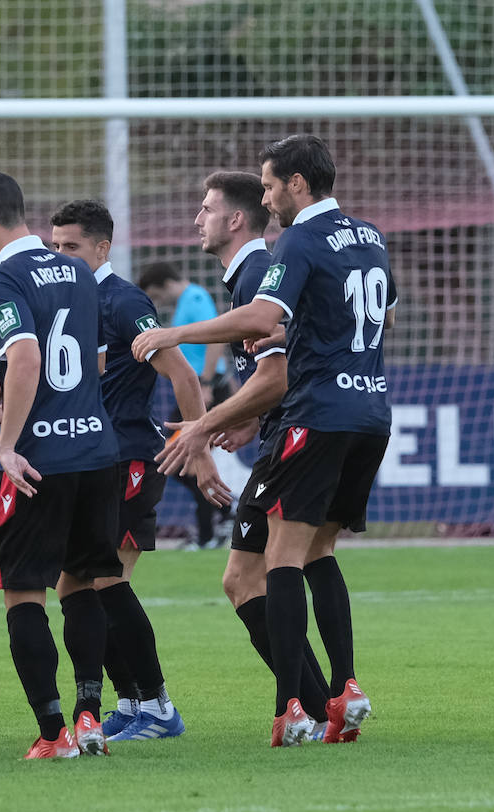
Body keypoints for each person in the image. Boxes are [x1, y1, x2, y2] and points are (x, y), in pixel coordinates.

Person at [133, 135, 395, 746]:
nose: (269, 196)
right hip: (370, 412)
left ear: (298, 185)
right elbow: (380, 319)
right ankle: (342, 689)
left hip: (313, 417)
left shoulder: (295, 241)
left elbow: (262, 321)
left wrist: (173, 338)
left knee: (279, 561)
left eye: (273, 184)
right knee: (316, 552)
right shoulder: (371, 237)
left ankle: (293, 709)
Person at [45, 198, 230, 742]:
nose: (61, 256)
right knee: (73, 587)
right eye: (54, 246)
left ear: (102, 248)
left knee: (105, 581)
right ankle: (131, 702)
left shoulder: (123, 301)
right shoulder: (64, 300)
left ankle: (158, 706)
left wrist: (197, 448)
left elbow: (183, 376)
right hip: (85, 460)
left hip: (127, 457)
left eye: (71, 247)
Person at [155, 171, 335, 732]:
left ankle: (306, 707)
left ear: (235, 220)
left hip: (295, 443)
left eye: (206, 208)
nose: (196, 219)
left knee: (248, 578)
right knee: (248, 578)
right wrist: (244, 417)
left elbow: (279, 377)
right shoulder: (246, 276)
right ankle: (320, 702)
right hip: (288, 436)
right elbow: (272, 372)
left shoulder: (257, 273)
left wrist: (202, 427)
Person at [0, 171, 120, 759]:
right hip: (97, 453)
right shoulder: (79, 271)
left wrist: (8, 439)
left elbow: (27, 358)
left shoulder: (2, 278)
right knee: (82, 583)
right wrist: (6, 390)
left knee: (23, 591)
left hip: (42, 463)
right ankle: (89, 717)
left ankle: (52, 734)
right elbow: (88, 364)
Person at [138, 262, 232, 549]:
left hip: (203, 390)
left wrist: (206, 383)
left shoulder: (195, 297)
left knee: (183, 459)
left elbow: (217, 336)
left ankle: (211, 530)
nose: (158, 302)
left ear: (165, 284)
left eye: (156, 295)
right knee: (176, 460)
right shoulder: (187, 302)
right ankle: (223, 516)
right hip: (200, 388)